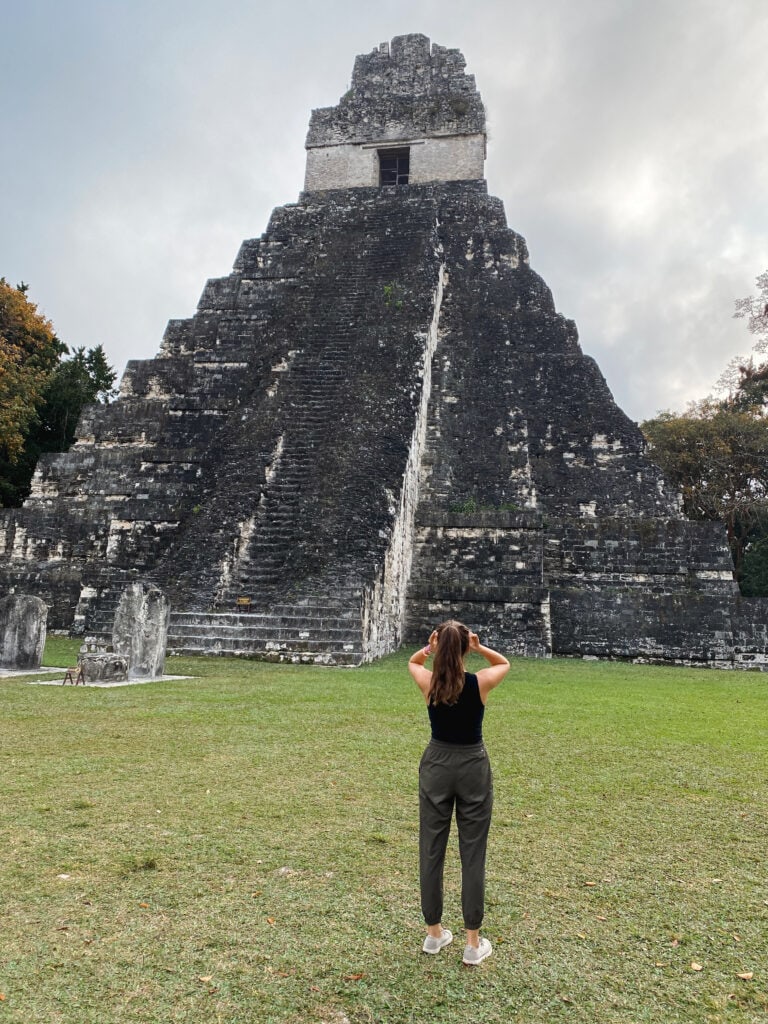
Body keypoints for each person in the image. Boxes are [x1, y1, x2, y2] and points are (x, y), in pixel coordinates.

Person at [408, 620, 510, 965]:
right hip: (471, 766)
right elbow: (504, 664)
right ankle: (472, 942)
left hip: (437, 764)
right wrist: (479, 647)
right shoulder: (478, 683)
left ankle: (434, 935)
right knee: (473, 852)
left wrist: (430, 648)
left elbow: (413, 662)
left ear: (438, 644)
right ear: (465, 647)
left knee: (431, 848)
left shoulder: (429, 682)